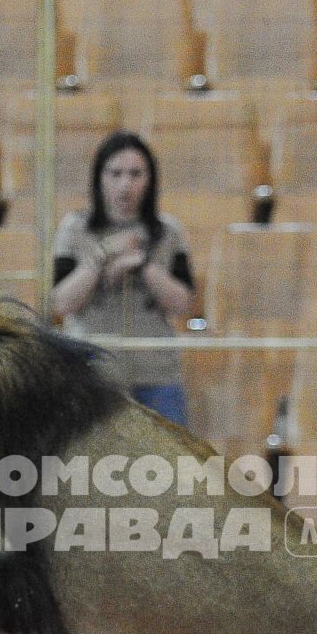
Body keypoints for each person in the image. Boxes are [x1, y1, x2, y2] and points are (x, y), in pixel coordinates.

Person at [50, 130, 197, 426]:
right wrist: (103, 255)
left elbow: (184, 304)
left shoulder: (169, 232)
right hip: (92, 373)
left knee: (170, 466)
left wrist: (143, 264)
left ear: (150, 180)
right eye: (115, 174)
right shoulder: (74, 228)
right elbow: (61, 302)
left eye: (135, 174)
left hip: (156, 373)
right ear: (99, 178)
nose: (125, 185)